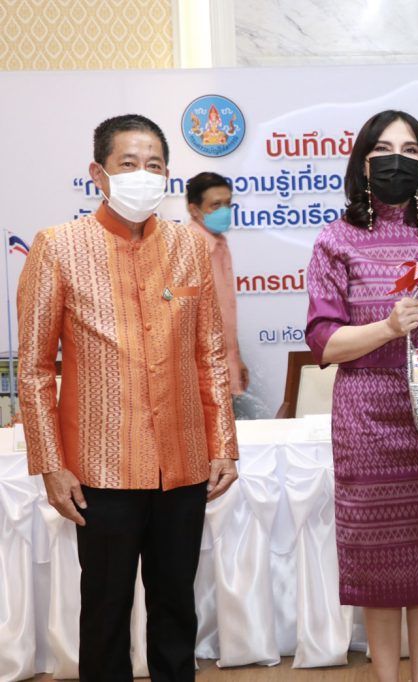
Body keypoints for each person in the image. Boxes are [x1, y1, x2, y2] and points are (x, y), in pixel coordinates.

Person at [17, 114, 239, 681]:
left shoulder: (189, 246)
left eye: (154, 165)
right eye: (129, 164)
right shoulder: (57, 247)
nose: (143, 175)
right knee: (106, 613)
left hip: (183, 464)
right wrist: (50, 466)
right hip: (101, 468)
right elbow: (36, 369)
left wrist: (223, 445)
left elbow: (211, 355)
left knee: (177, 609)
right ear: (99, 174)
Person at [305, 110, 418, 682]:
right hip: (369, 423)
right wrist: (387, 328)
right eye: (384, 149)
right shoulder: (336, 239)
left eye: (411, 151)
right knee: (380, 569)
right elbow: (324, 341)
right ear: (363, 163)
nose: (398, 160)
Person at [186, 171, 249, 396]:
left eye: (228, 204)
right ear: (194, 210)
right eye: (216, 205)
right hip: (199, 371)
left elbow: (224, 312)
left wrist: (236, 359)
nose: (225, 211)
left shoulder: (220, 244)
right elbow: (169, 298)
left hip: (223, 364)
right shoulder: (187, 246)